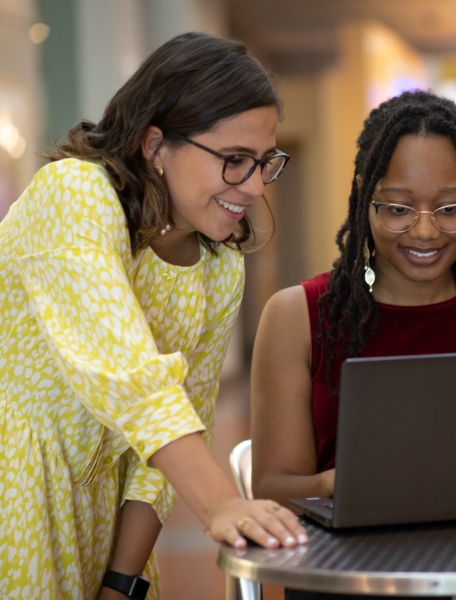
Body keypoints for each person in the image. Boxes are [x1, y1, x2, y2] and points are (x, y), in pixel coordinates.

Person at [0, 33, 306, 600]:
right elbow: (134, 380)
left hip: (101, 513)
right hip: (15, 490)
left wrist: (123, 579)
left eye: (265, 162)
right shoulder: (75, 196)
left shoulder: (219, 265)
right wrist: (221, 504)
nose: (256, 185)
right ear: (156, 144)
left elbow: (176, 425)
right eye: (234, 160)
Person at [251, 91, 456, 600]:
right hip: (352, 577)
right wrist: (347, 482)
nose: (425, 230)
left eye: (450, 208)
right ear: (364, 197)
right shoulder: (298, 317)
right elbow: (274, 487)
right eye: (397, 208)